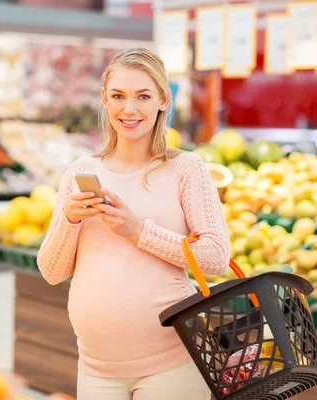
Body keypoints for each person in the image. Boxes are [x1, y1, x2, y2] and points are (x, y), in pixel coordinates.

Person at [37, 48, 230, 400]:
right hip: (96, 369)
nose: (129, 109)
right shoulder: (82, 172)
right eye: (118, 96)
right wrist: (70, 219)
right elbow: (51, 271)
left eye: (143, 96)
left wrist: (139, 231)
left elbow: (216, 257)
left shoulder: (185, 169)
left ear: (163, 100)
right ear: (105, 101)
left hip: (172, 365)